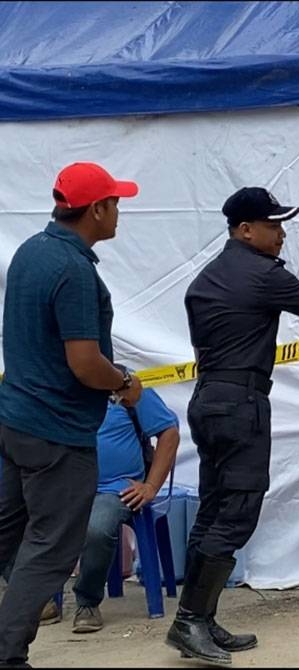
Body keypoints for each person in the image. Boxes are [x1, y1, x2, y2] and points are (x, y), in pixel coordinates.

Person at [167, 187, 299, 664]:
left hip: (209, 400)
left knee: (214, 509)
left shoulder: (210, 276)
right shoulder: (260, 275)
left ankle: (200, 617)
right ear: (245, 230)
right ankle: (190, 620)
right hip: (241, 405)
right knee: (237, 511)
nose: (281, 235)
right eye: (274, 226)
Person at [0, 162, 143, 667]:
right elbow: (84, 363)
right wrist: (124, 383)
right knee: (51, 550)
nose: (120, 212)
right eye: (116, 203)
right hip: (56, 432)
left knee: (12, 538)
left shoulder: (29, 253)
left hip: (16, 422)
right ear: (97, 209)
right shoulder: (74, 270)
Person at [69, 388, 180, 634]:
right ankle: (38, 599)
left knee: (97, 528)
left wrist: (151, 486)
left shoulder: (127, 385)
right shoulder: (55, 382)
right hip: (65, 488)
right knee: (12, 518)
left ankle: (87, 602)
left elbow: (169, 433)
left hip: (115, 489)